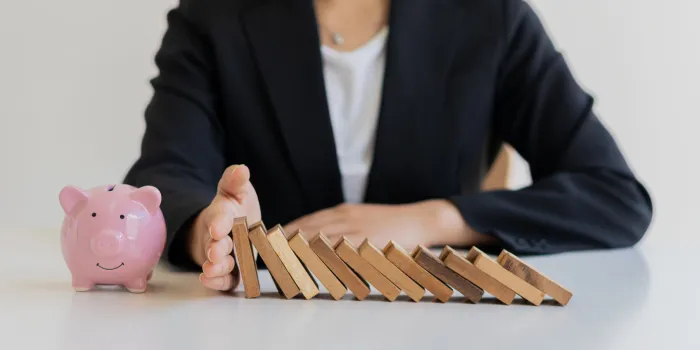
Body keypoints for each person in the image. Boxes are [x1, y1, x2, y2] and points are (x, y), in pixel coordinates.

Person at [124, 0, 654, 292]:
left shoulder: (490, 16)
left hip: (432, 318)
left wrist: (434, 219)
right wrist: (211, 236)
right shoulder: (211, 18)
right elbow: (164, 176)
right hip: (266, 323)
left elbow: (612, 194)